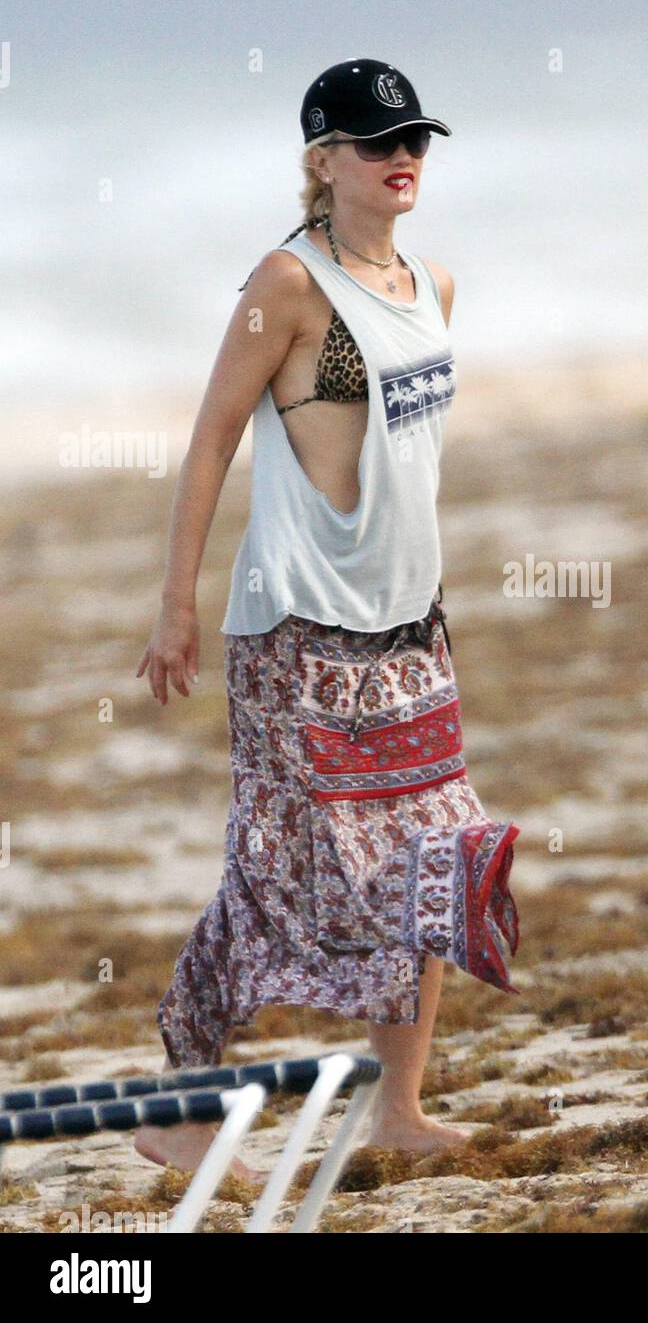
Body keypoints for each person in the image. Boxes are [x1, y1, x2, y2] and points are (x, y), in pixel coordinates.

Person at [133, 59, 518, 1175]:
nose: (403, 158)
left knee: (438, 854)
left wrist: (429, 604)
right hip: (295, 623)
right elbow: (210, 438)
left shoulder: (433, 287)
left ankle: (397, 1103)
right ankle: (181, 1103)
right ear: (321, 160)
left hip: (406, 625)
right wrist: (177, 608)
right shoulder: (286, 284)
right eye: (374, 141)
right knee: (281, 866)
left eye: (415, 140)